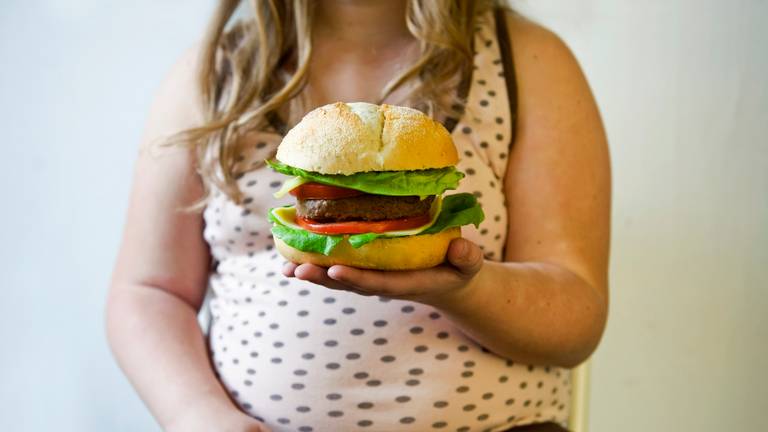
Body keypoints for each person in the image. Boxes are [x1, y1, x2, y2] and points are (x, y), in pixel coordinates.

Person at [106, 1, 610, 431]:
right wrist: (199, 416)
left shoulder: (528, 61)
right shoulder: (215, 74)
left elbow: (577, 319)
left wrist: (463, 289)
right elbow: (149, 291)